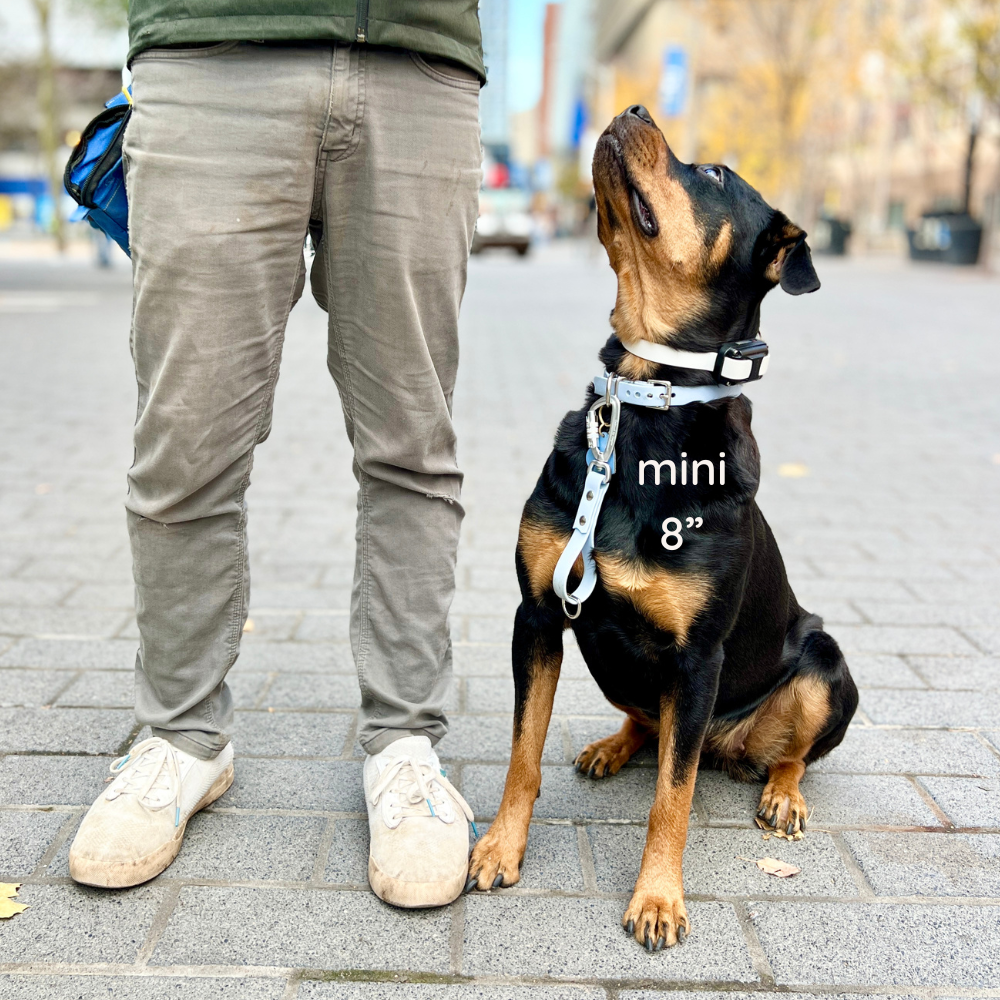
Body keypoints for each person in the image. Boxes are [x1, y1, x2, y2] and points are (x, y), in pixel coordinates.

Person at [67, 1, 483, 909]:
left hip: (417, 59)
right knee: (185, 442)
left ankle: (406, 746)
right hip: (209, 54)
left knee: (413, 443)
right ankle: (180, 740)